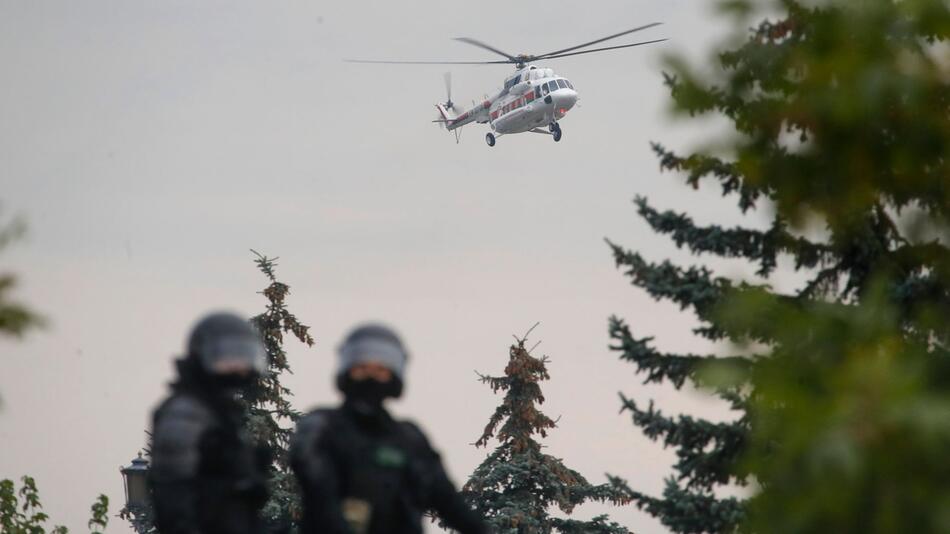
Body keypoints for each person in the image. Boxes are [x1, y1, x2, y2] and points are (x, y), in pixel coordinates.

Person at [290, 324, 488, 534]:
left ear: (393, 375)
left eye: (380, 371)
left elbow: (448, 501)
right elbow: (319, 489)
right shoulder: (322, 426)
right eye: (362, 369)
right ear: (348, 371)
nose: (370, 378)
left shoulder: (409, 438)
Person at [149, 312, 270, 534]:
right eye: (226, 358)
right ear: (202, 355)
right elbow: (175, 494)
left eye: (241, 357)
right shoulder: (187, 412)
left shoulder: (220, 411)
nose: (236, 367)